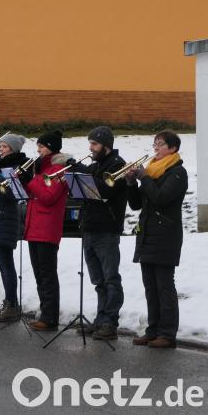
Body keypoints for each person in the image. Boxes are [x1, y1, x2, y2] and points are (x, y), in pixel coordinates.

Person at [125, 130, 187, 349]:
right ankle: (153, 331)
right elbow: (136, 205)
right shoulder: (152, 171)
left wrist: (144, 178)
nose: (155, 148)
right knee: (150, 287)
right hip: (148, 234)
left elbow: (161, 199)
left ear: (172, 148)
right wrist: (132, 184)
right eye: (155, 144)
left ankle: (167, 334)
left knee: (164, 286)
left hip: (166, 236)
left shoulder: (177, 173)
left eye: (160, 145)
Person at [70, 126, 127, 340]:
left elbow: (106, 190)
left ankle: (110, 322)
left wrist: (84, 175)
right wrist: (74, 173)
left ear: (106, 145)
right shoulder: (96, 165)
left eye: (94, 143)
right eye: (90, 143)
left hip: (107, 229)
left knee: (110, 278)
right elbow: (83, 192)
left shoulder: (117, 165)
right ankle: (100, 318)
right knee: (98, 280)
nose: (90, 147)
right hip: (90, 227)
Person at [23, 130, 70, 331]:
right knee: (39, 274)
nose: (38, 150)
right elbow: (31, 193)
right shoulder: (41, 168)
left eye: (41, 146)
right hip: (34, 227)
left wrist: (31, 181)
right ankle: (45, 313)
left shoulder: (59, 170)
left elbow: (49, 197)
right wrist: (23, 180)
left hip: (47, 228)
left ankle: (50, 317)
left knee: (47, 274)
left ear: (50, 147)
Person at [0, 134, 30, 323]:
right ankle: (10, 303)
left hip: (5, 219)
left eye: (4, 147)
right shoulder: (1, 166)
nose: (0, 149)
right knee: (2, 264)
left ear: (13, 149)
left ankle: (12, 305)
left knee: (6, 265)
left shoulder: (18, 167)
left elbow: (8, 193)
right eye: (0, 146)